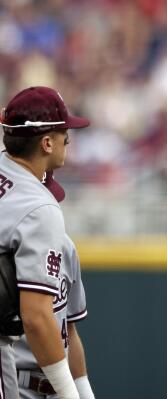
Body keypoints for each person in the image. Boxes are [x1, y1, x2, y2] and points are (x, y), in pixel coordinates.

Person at [0, 86, 90, 399]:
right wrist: (70, 394)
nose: (69, 138)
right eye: (64, 132)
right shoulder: (39, 207)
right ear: (47, 142)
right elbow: (37, 318)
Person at [14, 172, 95, 399]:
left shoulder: (66, 246)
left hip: (58, 388)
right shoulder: (9, 245)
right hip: (13, 382)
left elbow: (69, 330)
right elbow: (35, 320)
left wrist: (84, 393)